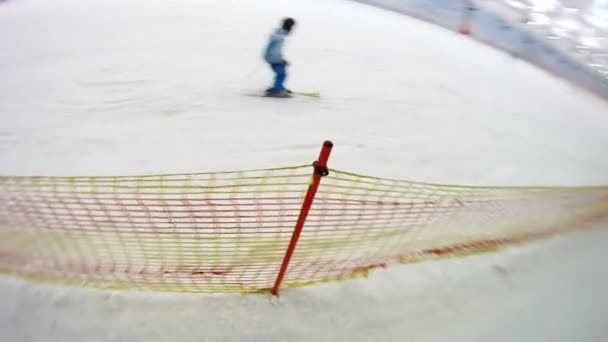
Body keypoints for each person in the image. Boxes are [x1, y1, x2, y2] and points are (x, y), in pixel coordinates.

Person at [263, 17, 296, 97]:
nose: (292, 30)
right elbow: (276, 51)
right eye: (292, 28)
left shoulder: (278, 33)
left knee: (281, 72)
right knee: (282, 74)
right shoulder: (280, 37)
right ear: (289, 28)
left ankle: (278, 87)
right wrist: (281, 60)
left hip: (269, 56)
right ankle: (277, 90)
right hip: (273, 57)